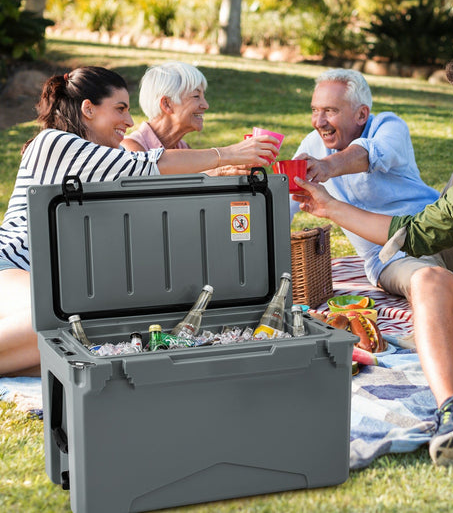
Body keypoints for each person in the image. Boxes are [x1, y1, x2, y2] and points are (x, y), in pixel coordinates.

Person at [293, 47, 453, 466]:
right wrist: (327, 206)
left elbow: (369, 155)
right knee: (426, 279)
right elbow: (416, 232)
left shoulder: (388, 128)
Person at [0, 66, 278, 377]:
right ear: (88, 109)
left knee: (96, 344)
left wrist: (219, 175)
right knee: (57, 320)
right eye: (120, 109)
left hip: (50, 282)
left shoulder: (99, 156)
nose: (130, 121)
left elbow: (159, 191)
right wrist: (228, 153)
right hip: (10, 265)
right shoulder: (55, 142)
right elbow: (150, 164)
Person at [289, 68, 453, 300]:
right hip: (392, 257)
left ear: (361, 115)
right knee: (429, 283)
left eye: (330, 111)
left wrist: (327, 166)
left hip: (440, 231)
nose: (319, 121)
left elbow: (371, 154)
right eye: (315, 110)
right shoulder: (311, 146)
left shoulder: (389, 126)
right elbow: (286, 203)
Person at [122, 61, 251, 176]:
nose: (206, 105)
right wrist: (216, 172)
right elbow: (156, 193)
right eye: (196, 96)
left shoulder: (182, 148)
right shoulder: (131, 150)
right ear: (167, 104)